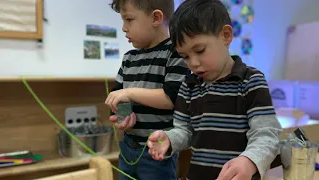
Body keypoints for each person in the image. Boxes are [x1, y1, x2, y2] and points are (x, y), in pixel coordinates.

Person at [147, 0, 282, 180]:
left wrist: (249, 160)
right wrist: (169, 139)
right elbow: (184, 131)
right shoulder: (188, 86)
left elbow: (266, 134)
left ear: (226, 35)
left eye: (200, 50)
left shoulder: (251, 81)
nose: (193, 63)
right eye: (185, 56)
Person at [104, 0, 191, 180]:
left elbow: (172, 97)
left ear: (156, 18)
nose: (124, 28)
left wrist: (130, 93)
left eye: (129, 19)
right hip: (128, 147)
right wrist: (123, 116)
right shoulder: (129, 58)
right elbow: (118, 94)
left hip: (157, 151)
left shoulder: (175, 52)